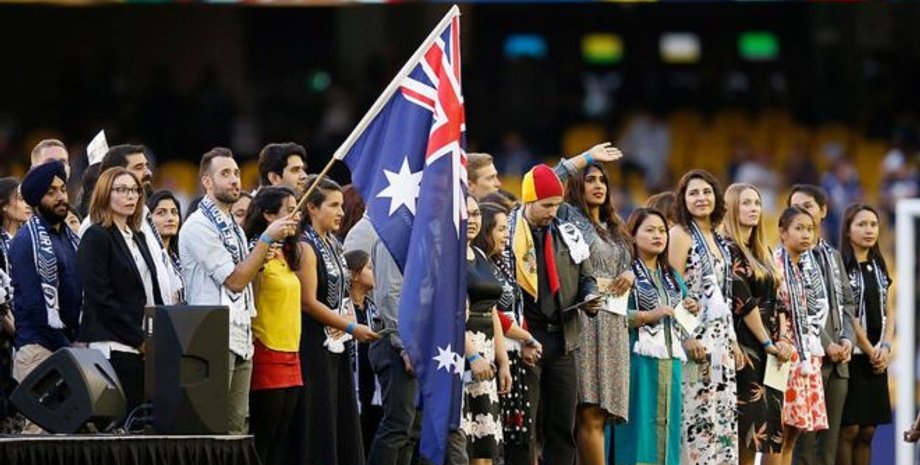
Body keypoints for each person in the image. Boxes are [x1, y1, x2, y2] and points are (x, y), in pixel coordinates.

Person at [180, 147, 299, 434]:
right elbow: (234, 280)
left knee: (238, 427)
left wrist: (260, 258)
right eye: (225, 174)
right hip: (213, 334)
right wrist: (266, 239)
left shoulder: (232, 226)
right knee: (212, 426)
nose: (235, 179)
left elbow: (247, 276)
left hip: (240, 332)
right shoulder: (199, 226)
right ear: (207, 182)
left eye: (236, 172)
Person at [505, 164, 601, 464]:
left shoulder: (568, 233)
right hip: (524, 338)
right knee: (524, 426)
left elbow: (587, 277)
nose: (553, 212)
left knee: (562, 426)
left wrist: (589, 296)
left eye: (557, 205)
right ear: (528, 200)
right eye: (546, 205)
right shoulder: (507, 233)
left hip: (562, 340)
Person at [552, 143, 631, 465]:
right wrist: (585, 158)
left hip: (614, 324)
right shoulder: (567, 216)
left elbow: (625, 267)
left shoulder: (615, 227)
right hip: (585, 320)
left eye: (602, 180)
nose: (598, 185)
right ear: (577, 185)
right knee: (587, 410)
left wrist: (630, 274)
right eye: (590, 180)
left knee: (599, 412)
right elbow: (547, 181)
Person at [296, 175, 378, 465]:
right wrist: (351, 327)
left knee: (339, 418)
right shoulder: (305, 246)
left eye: (341, 205)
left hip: (337, 342)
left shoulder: (333, 242)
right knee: (319, 420)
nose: (341, 212)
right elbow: (307, 302)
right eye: (333, 205)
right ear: (312, 208)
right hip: (313, 344)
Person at [77, 167, 163, 418]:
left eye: (135, 190)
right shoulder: (96, 236)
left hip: (141, 344)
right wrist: (138, 338)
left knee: (141, 421)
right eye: (122, 190)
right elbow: (100, 297)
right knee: (121, 421)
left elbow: (149, 290)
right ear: (105, 193)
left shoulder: (138, 237)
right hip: (113, 345)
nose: (131, 196)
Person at [667, 169, 739, 465]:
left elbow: (724, 294)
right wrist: (686, 337)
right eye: (693, 193)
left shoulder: (719, 239)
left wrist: (733, 340)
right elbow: (671, 288)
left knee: (721, 420)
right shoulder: (680, 234)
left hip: (721, 342)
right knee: (696, 419)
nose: (701, 198)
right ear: (683, 199)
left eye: (706, 192)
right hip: (694, 339)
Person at [614, 208, 697, 465]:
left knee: (667, 426)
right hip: (636, 362)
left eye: (662, 231)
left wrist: (690, 308)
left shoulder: (672, 276)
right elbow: (612, 316)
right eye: (649, 230)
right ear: (633, 235)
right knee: (638, 428)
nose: (658, 236)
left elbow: (683, 317)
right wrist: (648, 316)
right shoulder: (625, 273)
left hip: (670, 363)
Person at [722, 184, 793, 465]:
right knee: (745, 433)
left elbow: (780, 301)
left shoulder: (763, 250)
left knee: (764, 434)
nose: (753, 209)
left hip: (771, 350)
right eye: (746, 203)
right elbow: (744, 302)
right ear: (731, 208)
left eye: (757, 203)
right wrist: (767, 343)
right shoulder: (727, 250)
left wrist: (783, 340)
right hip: (746, 348)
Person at [8, 161, 82, 433]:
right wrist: (68, 347)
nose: (61, 197)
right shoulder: (27, 241)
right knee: (41, 436)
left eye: (63, 189)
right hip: (39, 351)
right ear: (36, 199)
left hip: (67, 347)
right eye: (51, 192)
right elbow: (35, 307)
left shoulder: (69, 239)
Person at [789, 185, 856, 465]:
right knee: (802, 445)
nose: (801, 212)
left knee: (829, 447)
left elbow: (848, 302)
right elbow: (797, 309)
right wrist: (827, 344)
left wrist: (847, 340)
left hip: (839, 362)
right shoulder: (789, 259)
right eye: (795, 207)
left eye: (807, 206)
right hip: (808, 359)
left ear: (823, 211)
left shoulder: (833, 255)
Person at [472, 201, 543, 465]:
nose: (506, 235)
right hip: (488, 348)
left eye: (506, 229)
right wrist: (527, 338)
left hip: (510, 351)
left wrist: (524, 340)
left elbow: (514, 309)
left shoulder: (498, 262)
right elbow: (496, 315)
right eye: (500, 229)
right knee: (489, 431)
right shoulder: (479, 264)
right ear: (486, 231)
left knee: (512, 434)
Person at [242, 186, 303, 465]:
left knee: (281, 438)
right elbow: (248, 298)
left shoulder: (286, 252)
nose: (297, 215)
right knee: (263, 440)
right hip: (266, 350)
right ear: (268, 215)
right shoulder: (257, 251)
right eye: (290, 210)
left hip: (292, 352)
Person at [87, 144, 185, 305]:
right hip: (123, 319)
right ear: (113, 176)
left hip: (155, 316)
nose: (148, 173)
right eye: (139, 167)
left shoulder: (141, 220)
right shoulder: (93, 228)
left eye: (147, 166)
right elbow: (98, 293)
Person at [837, 204, 893, 465]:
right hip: (853, 356)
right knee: (849, 428)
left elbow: (888, 309)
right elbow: (849, 313)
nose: (869, 230)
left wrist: (886, 347)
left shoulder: (879, 265)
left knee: (868, 430)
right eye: (861, 224)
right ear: (848, 231)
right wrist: (870, 350)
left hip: (877, 357)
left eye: (873, 224)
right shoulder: (841, 267)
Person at [774, 206, 830, 465]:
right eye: (799, 228)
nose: (806, 234)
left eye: (810, 229)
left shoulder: (811, 269)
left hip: (808, 353)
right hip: (784, 354)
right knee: (778, 432)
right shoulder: (773, 266)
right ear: (782, 232)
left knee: (793, 433)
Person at [462, 195, 511, 464]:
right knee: (468, 440)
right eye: (466, 213)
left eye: (476, 213)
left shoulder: (480, 254)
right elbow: (451, 315)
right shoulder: (449, 257)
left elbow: (492, 311)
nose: (472, 220)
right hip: (465, 351)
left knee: (486, 444)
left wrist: (503, 361)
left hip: (488, 352)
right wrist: (473, 356)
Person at [343, 249, 383, 455]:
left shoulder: (373, 308)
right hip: (350, 380)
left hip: (373, 382)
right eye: (369, 267)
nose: (375, 272)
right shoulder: (342, 308)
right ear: (355, 275)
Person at [0, 177, 29, 432]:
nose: (26, 203)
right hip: (7, 336)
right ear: (4, 206)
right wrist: (16, 330)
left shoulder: (31, 239)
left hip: (27, 330)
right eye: (19, 198)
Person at [147, 190, 183, 278]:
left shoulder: (179, 257)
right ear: (148, 218)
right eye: (161, 213)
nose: (170, 218)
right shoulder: (146, 257)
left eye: (174, 212)